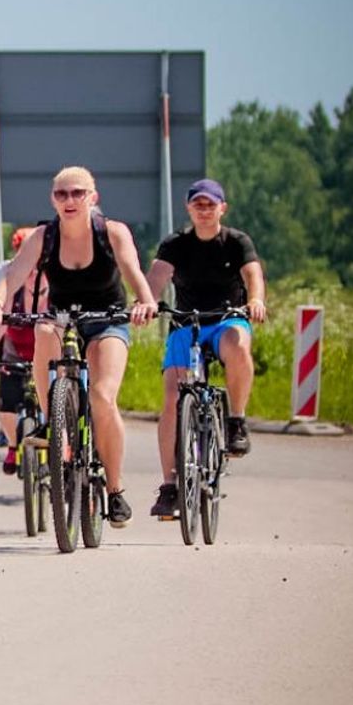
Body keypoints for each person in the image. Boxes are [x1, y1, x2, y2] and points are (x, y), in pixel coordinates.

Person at [0, 166, 159, 528]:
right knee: (44, 330)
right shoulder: (43, 236)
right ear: (53, 200)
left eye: (78, 193)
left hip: (107, 319)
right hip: (63, 316)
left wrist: (145, 301)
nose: (70, 200)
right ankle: (53, 422)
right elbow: (13, 276)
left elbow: (133, 272)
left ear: (93, 197)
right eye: (61, 194)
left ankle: (115, 489)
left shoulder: (112, 232)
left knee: (102, 397)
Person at [144, 179, 267, 519]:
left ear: (222, 208)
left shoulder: (236, 241)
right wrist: (147, 302)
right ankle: (169, 485)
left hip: (228, 318)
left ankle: (236, 420)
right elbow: (156, 278)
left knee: (237, 346)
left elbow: (253, 275)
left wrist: (256, 300)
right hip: (187, 322)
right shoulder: (175, 244)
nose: (204, 210)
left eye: (210, 204)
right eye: (198, 204)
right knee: (172, 396)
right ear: (188, 208)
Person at [0, 227, 49, 475]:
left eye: (39, 269)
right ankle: (12, 444)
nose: (34, 274)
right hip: (16, 353)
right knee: (7, 405)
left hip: (47, 356)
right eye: (29, 270)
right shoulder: (13, 294)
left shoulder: (56, 295)